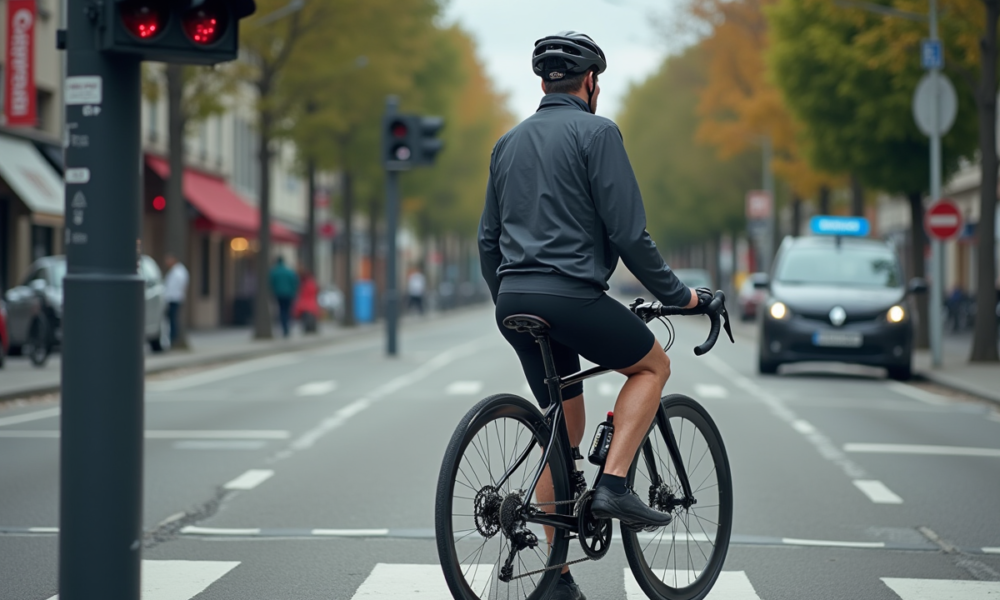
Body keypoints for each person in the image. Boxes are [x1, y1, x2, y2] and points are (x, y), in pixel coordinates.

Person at [478, 32, 710, 600]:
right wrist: (682, 296)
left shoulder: (507, 143)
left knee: (564, 428)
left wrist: (510, 298)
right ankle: (613, 484)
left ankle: (555, 575)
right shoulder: (598, 132)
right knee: (652, 366)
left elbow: (488, 240)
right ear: (591, 83)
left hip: (513, 300)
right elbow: (629, 233)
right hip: (571, 297)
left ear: (543, 83)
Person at [162, 253, 189, 348]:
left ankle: (173, 339)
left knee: (172, 320)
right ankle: (171, 339)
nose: (167, 263)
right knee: (171, 320)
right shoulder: (176, 271)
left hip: (174, 299)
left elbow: (175, 287)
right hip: (172, 298)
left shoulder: (178, 272)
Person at [269, 256, 299, 338]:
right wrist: (294, 292)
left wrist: (273, 292)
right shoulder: (289, 271)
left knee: (282, 311)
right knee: (288, 310)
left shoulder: (274, 272)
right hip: (289, 294)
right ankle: (287, 327)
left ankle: (284, 327)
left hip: (279, 294)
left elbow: (271, 283)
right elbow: (295, 282)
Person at [293, 267, 320, 334]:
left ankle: (307, 328)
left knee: (306, 318)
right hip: (312, 303)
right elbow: (316, 291)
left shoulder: (303, 284)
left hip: (305, 303)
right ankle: (312, 328)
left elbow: (301, 293)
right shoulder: (313, 283)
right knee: (311, 317)